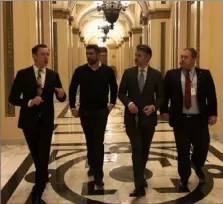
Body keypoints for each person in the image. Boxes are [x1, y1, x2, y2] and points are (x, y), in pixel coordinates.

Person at [9, 44, 66, 203]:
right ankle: (42, 174)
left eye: (48, 54)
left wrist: (62, 94)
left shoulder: (54, 75)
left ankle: (38, 187)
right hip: (29, 121)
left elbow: (61, 96)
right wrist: (29, 102)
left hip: (46, 121)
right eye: (43, 54)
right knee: (35, 152)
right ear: (34, 56)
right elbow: (12, 98)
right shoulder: (23, 75)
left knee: (43, 151)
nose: (46, 57)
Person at [160, 48, 217, 189]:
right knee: (182, 150)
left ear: (194, 59)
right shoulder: (172, 75)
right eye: (181, 57)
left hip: (199, 119)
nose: (182, 59)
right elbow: (164, 95)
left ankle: (197, 165)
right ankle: (184, 177)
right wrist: (163, 111)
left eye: (185, 57)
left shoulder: (204, 74)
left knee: (203, 146)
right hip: (181, 120)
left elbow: (211, 95)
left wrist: (213, 114)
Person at [69, 44, 118, 187]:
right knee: (90, 140)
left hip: (101, 111)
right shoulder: (80, 71)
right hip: (85, 111)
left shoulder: (107, 71)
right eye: (87, 53)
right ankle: (92, 165)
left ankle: (98, 174)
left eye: (91, 53)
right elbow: (72, 88)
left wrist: (112, 103)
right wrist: (72, 106)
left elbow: (113, 87)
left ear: (98, 55)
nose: (88, 56)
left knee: (98, 142)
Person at [118, 44, 163, 197]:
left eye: (139, 56)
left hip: (149, 120)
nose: (135, 58)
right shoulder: (128, 73)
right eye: (136, 55)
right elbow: (121, 93)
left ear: (147, 57)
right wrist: (129, 103)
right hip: (132, 119)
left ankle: (140, 176)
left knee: (144, 151)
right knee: (137, 151)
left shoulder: (156, 75)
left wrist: (154, 107)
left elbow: (161, 97)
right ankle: (139, 186)